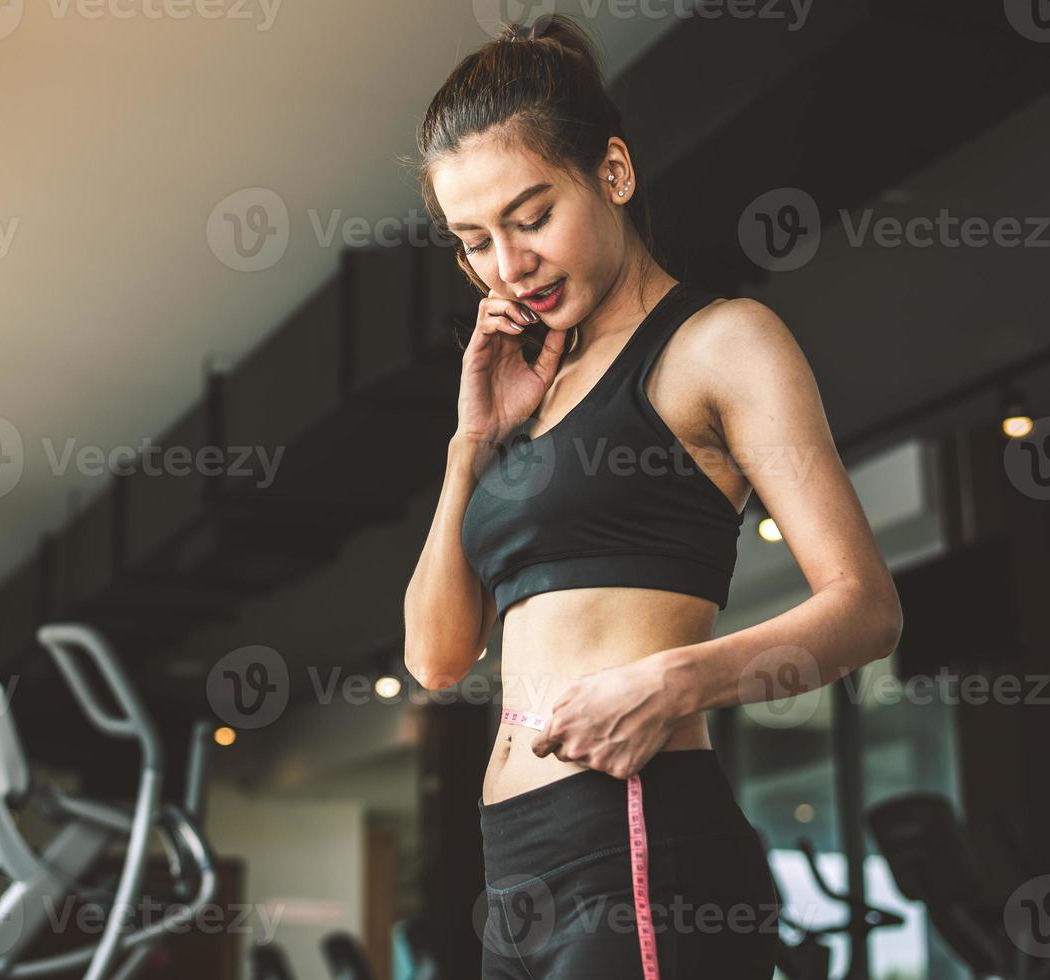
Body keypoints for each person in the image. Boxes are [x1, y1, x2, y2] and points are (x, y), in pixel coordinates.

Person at [400, 14, 904, 979]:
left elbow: (867, 609)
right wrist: (471, 444)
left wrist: (678, 681)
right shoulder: (525, 390)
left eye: (532, 216)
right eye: (474, 241)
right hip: (512, 876)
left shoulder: (720, 344)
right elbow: (435, 657)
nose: (507, 266)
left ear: (615, 173)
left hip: (638, 850)